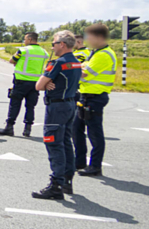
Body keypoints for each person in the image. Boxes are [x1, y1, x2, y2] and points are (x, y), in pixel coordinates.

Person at [32, 30, 83, 200]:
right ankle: (67, 180)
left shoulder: (58, 63)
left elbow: (39, 85)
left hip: (57, 106)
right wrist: (50, 83)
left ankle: (56, 184)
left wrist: (47, 83)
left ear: (62, 44)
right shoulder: (76, 62)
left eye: (53, 44)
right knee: (66, 142)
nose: (52, 47)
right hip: (70, 103)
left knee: (53, 142)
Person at [75, 23, 117, 177]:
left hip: (95, 97)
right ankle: (79, 161)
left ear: (99, 37)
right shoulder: (95, 52)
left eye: (89, 37)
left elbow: (84, 73)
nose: (86, 40)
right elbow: (82, 68)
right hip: (86, 95)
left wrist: (74, 70)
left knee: (94, 132)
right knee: (76, 128)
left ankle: (95, 165)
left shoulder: (103, 55)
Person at [0, 32, 49, 137]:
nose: (24, 41)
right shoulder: (44, 52)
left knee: (15, 105)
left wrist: (17, 63)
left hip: (21, 81)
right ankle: (28, 129)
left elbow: (11, 60)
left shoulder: (23, 50)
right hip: (35, 83)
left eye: (25, 39)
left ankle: (9, 127)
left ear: (30, 39)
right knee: (30, 107)